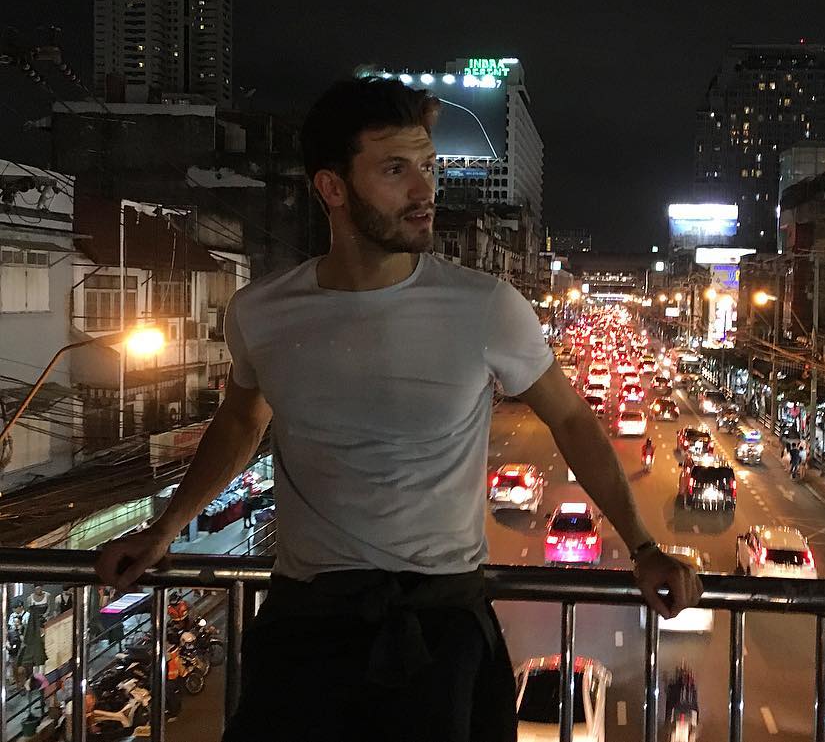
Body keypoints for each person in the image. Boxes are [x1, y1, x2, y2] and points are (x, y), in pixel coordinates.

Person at [95, 77, 702, 742]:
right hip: (307, 625)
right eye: (395, 169)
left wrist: (644, 546)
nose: (424, 190)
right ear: (332, 187)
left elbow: (572, 419)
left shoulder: (485, 306)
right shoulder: (261, 311)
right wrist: (165, 528)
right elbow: (242, 421)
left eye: (428, 166)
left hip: (437, 627)